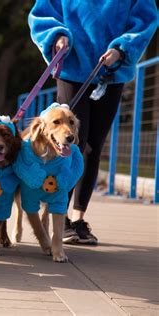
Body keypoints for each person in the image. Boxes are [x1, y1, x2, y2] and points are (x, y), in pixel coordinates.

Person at [28, 0, 157, 244]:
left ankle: (77, 220)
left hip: (112, 71)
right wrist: (57, 36)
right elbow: (42, 13)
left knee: (93, 146)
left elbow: (146, 18)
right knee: (70, 143)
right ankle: (59, 215)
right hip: (72, 68)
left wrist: (122, 49)